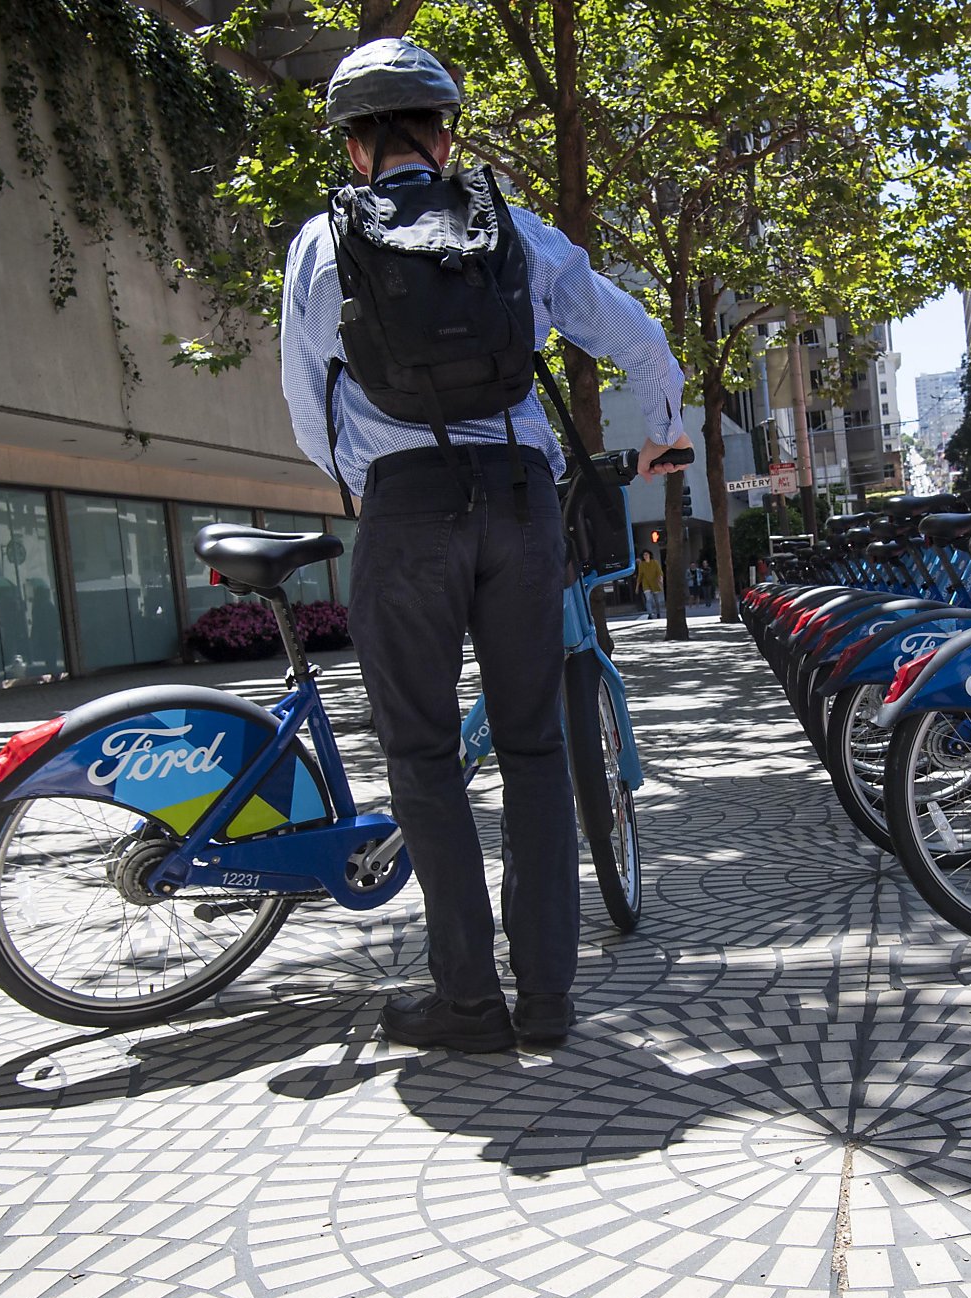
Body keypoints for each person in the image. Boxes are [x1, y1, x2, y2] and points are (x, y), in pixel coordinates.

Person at [280, 38, 691, 1052]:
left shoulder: (321, 245)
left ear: (353, 147)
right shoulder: (512, 228)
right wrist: (663, 432)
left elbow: (304, 407)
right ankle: (547, 994)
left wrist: (368, 482)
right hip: (519, 505)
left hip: (406, 512)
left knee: (422, 759)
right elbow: (634, 337)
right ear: (445, 133)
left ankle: (466, 1001)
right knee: (535, 748)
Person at [635, 549, 664, 618]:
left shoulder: (655, 562)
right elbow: (640, 576)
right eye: (644, 555)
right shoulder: (642, 564)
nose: (645, 556)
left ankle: (658, 613)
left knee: (656, 600)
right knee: (648, 599)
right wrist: (637, 586)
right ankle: (650, 614)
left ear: (650, 555)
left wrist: (660, 579)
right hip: (646, 583)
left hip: (654, 583)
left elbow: (659, 572)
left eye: (647, 554)